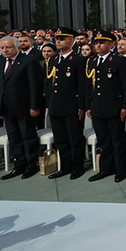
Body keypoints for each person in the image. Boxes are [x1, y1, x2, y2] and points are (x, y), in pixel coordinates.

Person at [0, 36, 44, 180]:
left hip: (25, 107)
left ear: (17, 47)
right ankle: (19, 165)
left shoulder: (29, 61)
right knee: (14, 137)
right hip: (6, 108)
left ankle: (30, 166)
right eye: (2, 48)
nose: (5, 50)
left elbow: (35, 85)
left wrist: (35, 106)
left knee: (28, 136)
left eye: (8, 47)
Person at [85, 31, 126, 183]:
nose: (98, 45)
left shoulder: (118, 61)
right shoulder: (92, 61)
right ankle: (106, 168)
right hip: (97, 106)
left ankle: (120, 169)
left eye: (102, 42)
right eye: (96, 42)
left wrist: (124, 107)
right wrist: (89, 106)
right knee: (103, 140)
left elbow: (125, 86)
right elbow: (90, 86)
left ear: (111, 44)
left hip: (114, 106)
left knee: (117, 140)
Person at [45, 28, 87, 180]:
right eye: (57, 38)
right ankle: (65, 166)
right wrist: (48, 103)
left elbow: (82, 86)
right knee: (60, 139)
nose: (58, 41)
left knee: (74, 138)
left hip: (72, 105)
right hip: (56, 105)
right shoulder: (54, 60)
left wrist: (81, 105)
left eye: (62, 38)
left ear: (71, 41)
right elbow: (49, 84)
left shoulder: (78, 60)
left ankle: (77, 166)